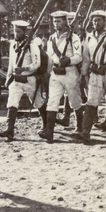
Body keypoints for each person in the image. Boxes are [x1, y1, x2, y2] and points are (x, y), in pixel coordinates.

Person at [0, 20, 48, 141]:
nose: (16, 33)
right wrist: (9, 76)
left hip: (29, 79)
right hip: (16, 80)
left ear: (24, 32)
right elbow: (11, 62)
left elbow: (37, 63)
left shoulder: (32, 45)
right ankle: (10, 130)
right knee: (12, 102)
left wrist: (25, 68)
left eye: (19, 31)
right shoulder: (13, 44)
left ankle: (46, 125)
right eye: (15, 31)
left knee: (38, 102)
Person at [39, 11, 84, 143]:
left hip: (70, 72)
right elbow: (49, 58)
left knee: (75, 101)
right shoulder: (52, 38)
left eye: (59, 21)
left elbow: (78, 56)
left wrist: (69, 60)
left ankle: (80, 128)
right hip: (56, 74)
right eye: (54, 21)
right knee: (52, 101)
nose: (56, 23)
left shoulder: (73, 37)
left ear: (65, 22)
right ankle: (49, 131)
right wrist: (47, 74)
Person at [80, 10, 106, 142]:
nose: (96, 22)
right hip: (95, 73)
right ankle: (86, 131)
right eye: (94, 20)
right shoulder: (89, 38)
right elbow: (86, 58)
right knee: (92, 100)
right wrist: (84, 74)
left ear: (104, 22)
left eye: (99, 20)